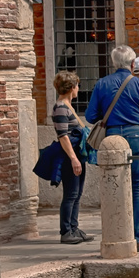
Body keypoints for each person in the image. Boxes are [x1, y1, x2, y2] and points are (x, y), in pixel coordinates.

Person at [84, 45, 139, 246]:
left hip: (112, 138)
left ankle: (118, 235)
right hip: (138, 137)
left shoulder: (102, 84)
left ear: (114, 63)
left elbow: (90, 116)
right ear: (133, 64)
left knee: (115, 186)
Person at [50, 71, 90, 244]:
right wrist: (73, 159)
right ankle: (66, 231)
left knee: (77, 193)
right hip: (70, 156)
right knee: (71, 194)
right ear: (71, 87)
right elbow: (63, 136)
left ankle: (74, 228)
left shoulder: (67, 106)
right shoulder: (60, 107)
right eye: (77, 86)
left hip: (77, 154)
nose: (78, 89)